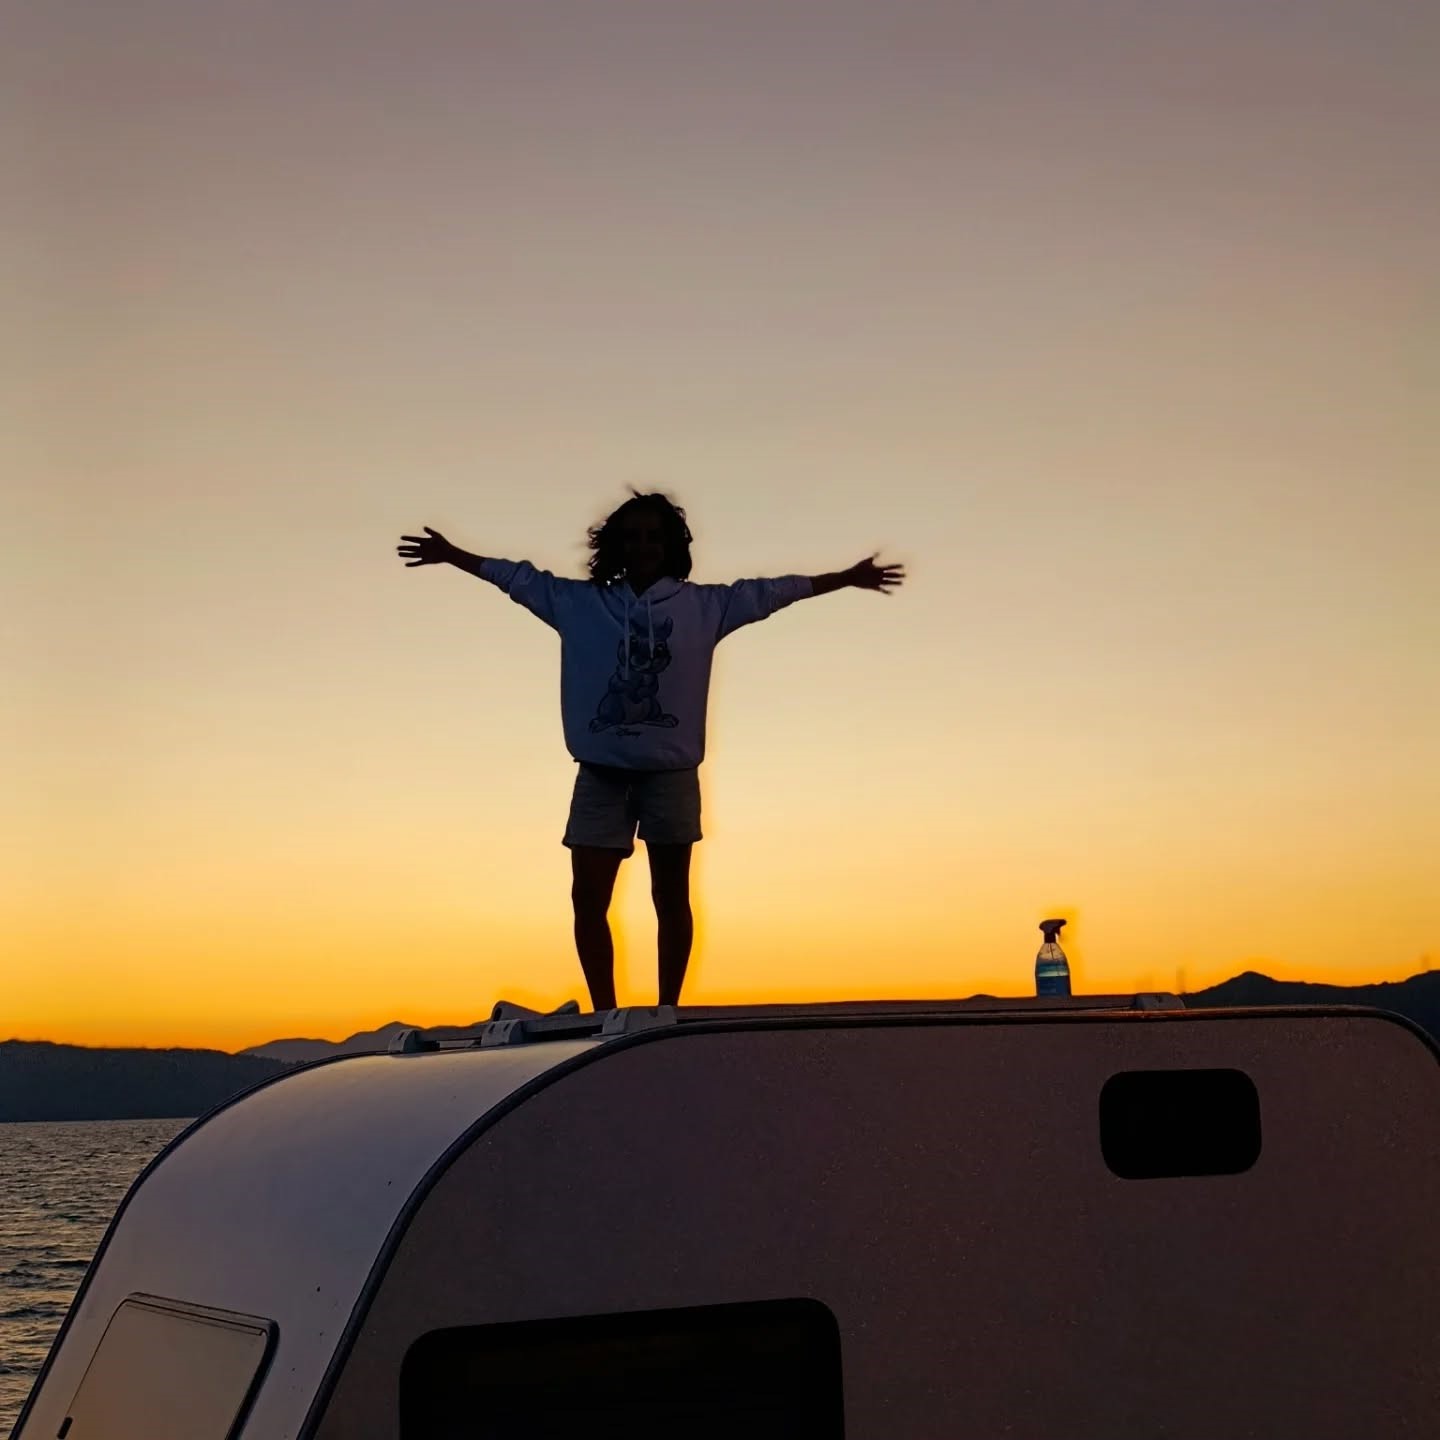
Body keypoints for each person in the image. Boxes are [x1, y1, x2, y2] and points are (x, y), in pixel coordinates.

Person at [398, 491, 904, 1011]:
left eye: (653, 537)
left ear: (671, 545)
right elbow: (518, 579)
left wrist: (846, 577)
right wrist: (452, 554)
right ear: (615, 544)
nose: (643, 546)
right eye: (632, 536)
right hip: (600, 775)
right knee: (587, 900)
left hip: (671, 775)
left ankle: (668, 1010)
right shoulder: (581, 605)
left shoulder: (704, 607)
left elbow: (773, 592)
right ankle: (604, 1013)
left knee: (671, 897)